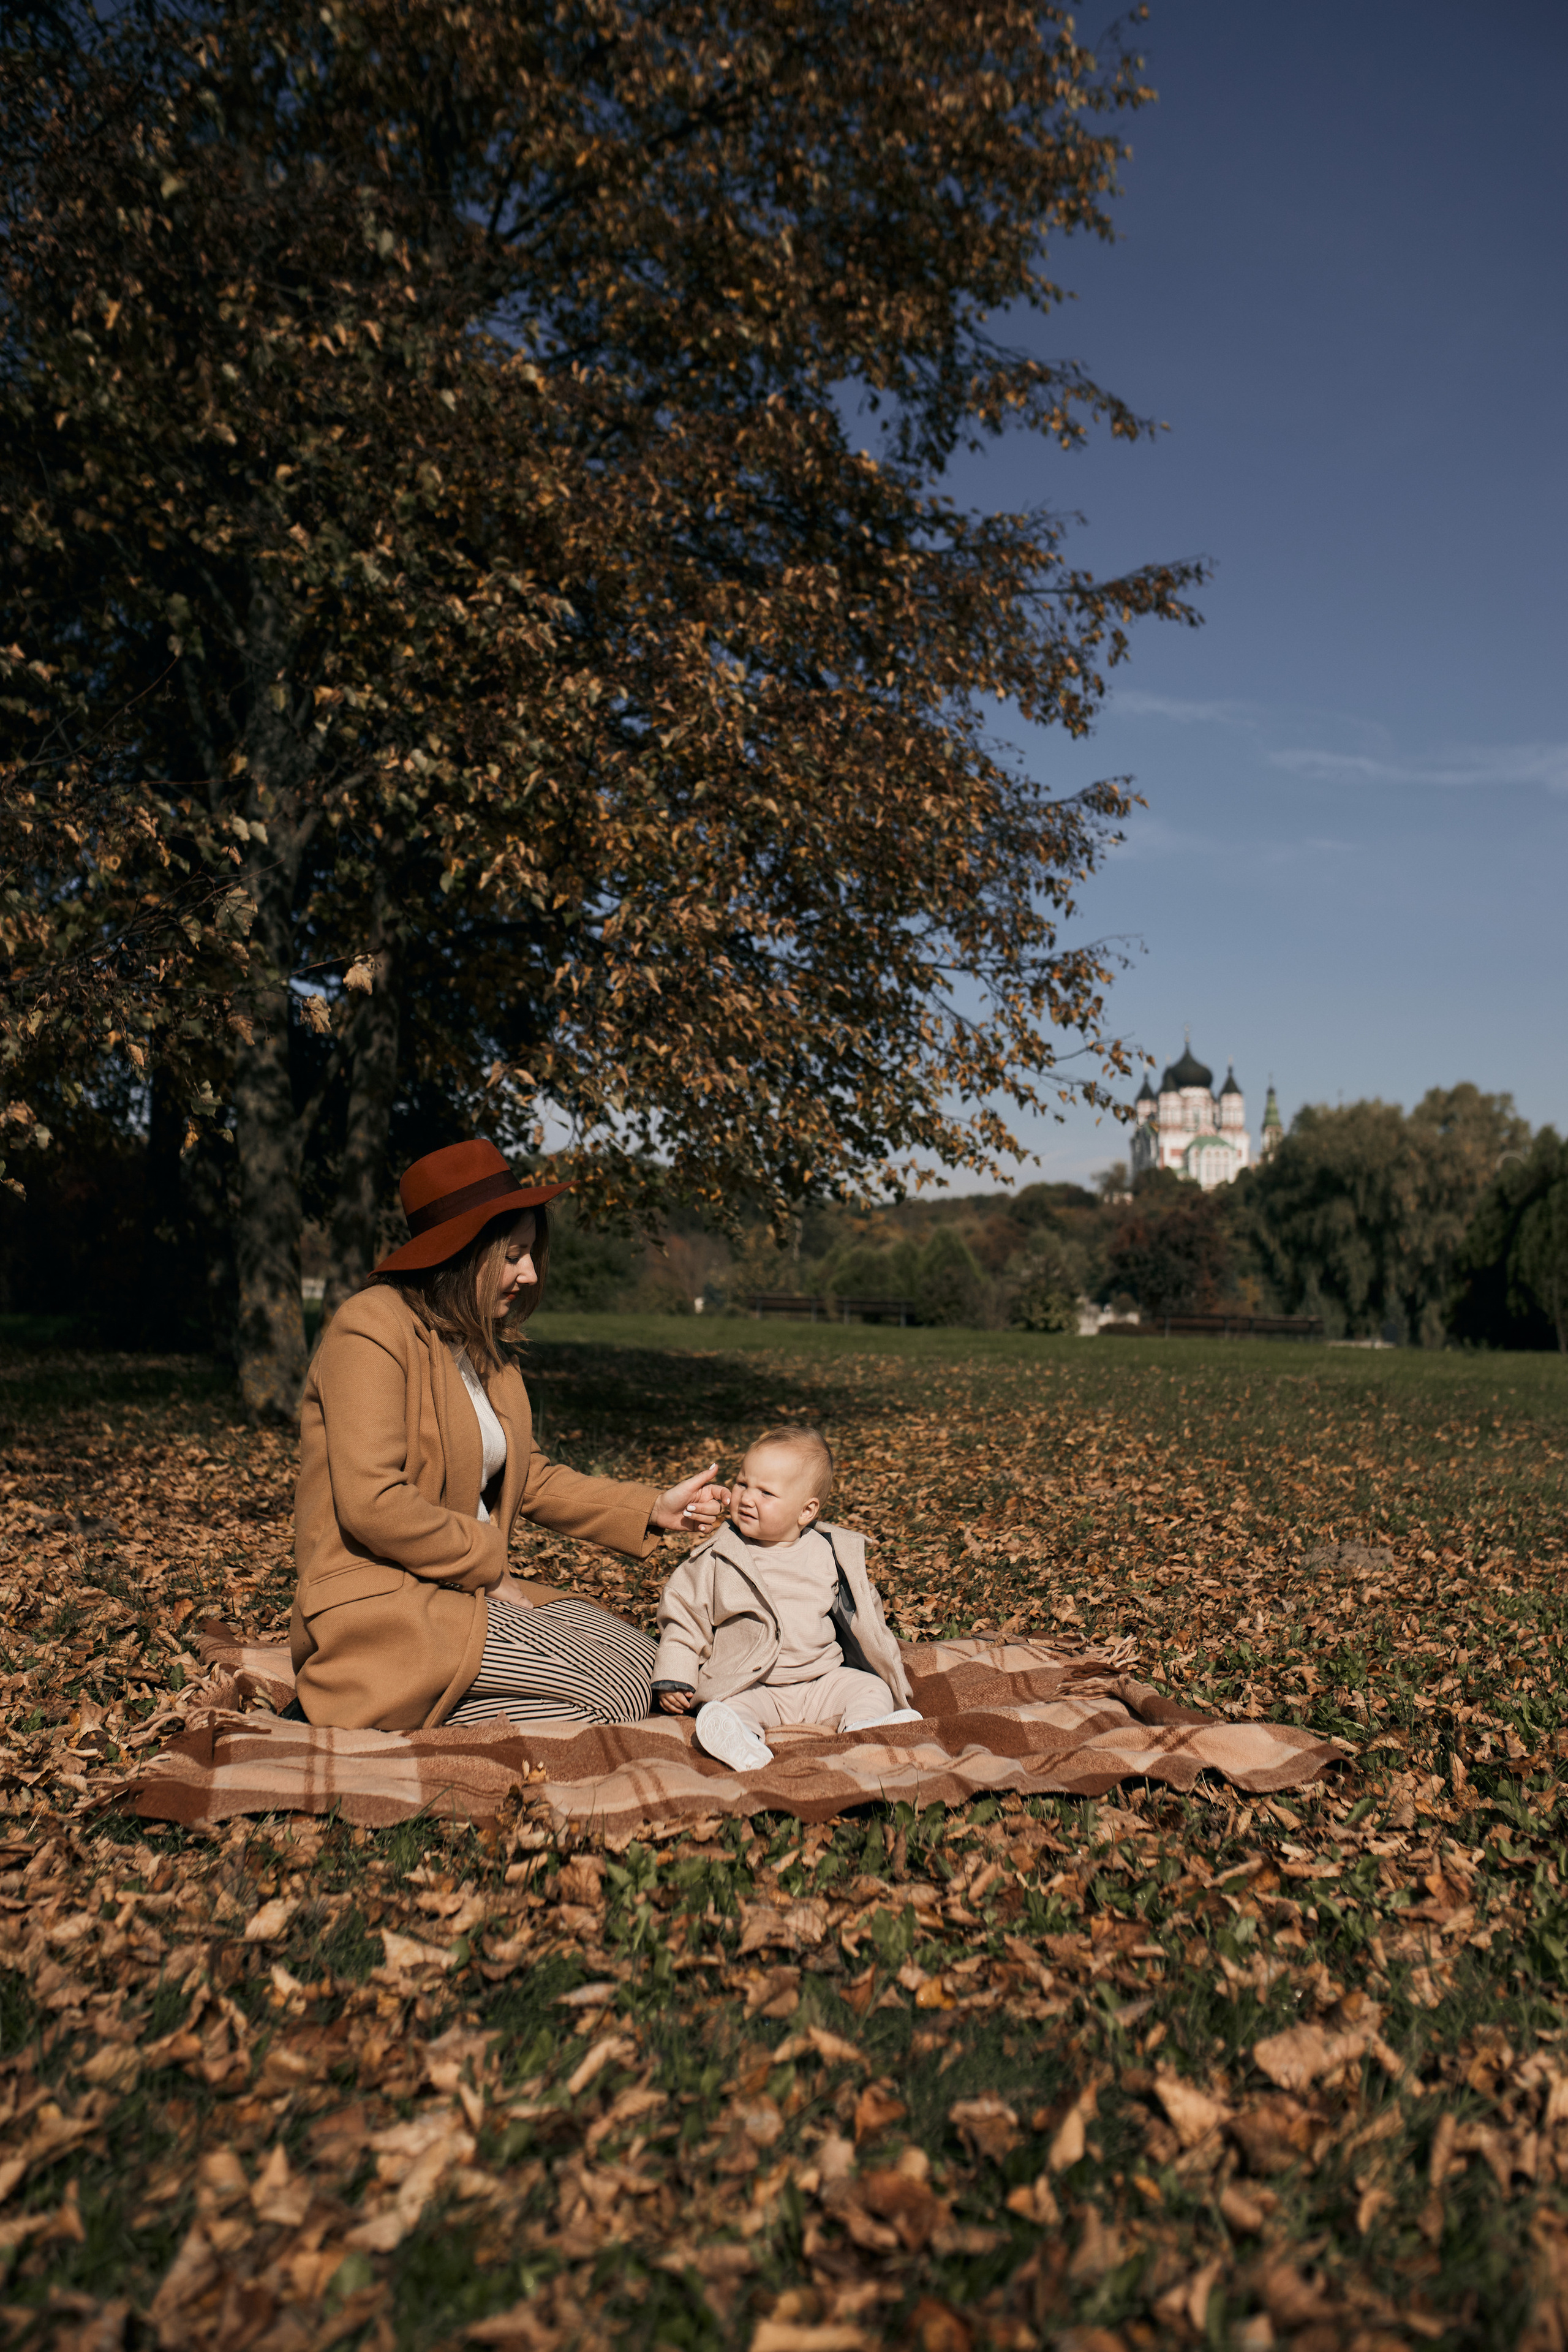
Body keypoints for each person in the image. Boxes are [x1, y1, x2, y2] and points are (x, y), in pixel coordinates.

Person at [290, 1138, 726, 1731]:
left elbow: (530, 1478)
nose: (531, 1273)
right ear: (463, 1251)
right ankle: (371, 1703)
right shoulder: (370, 1328)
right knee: (617, 1696)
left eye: (530, 1254)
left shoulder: (482, 1348)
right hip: (381, 1603)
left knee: (648, 1666)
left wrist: (653, 1508)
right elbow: (375, 1503)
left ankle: (435, 1703)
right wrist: (489, 1564)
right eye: (514, 1255)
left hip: (464, 1588)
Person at [650, 1424, 921, 1771]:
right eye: (743, 1483)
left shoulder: (828, 1554)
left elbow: (864, 1615)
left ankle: (863, 1727)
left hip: (821, 1681)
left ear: (806, 1511)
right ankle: (740, 1741)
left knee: (870, 1688)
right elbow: (684, 1615)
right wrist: (676, 1675)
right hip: (751, 1684)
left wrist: (886, 1667)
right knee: (726, 1706)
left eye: (766, 1492)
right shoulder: (718, 1557)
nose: (747, 1498)